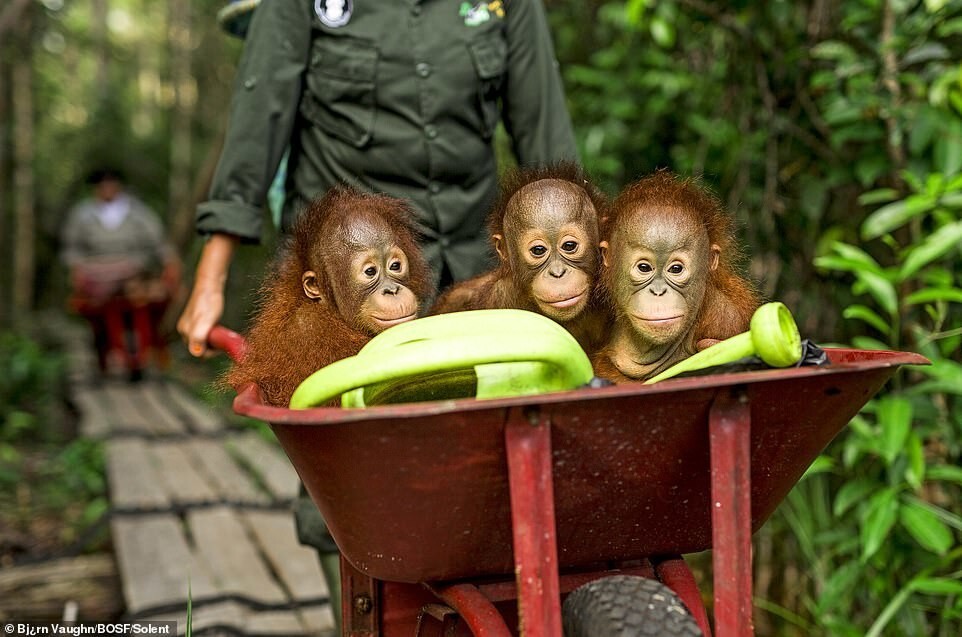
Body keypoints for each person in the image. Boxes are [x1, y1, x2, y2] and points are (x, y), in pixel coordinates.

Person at [177, 0, 579, 629]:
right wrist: (211, 277)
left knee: (492, 457)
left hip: (466, 261)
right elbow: (261, 117)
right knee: (349, 466)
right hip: (348, 276)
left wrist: (578, 267)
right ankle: (361, 614)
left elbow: (547, 139)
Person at [61, 168, 178, 381]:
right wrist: (76, 270)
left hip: (132, 271)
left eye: (111, 183)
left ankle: (140, 358)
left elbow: (159, 242)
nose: (107, 188)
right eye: (101, 184)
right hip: (95, 272)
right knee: (99, 314)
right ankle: (106, 357)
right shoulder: (83, 214)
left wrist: (170, 264)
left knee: (141, 301)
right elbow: (72, 248)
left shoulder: (138, 212)